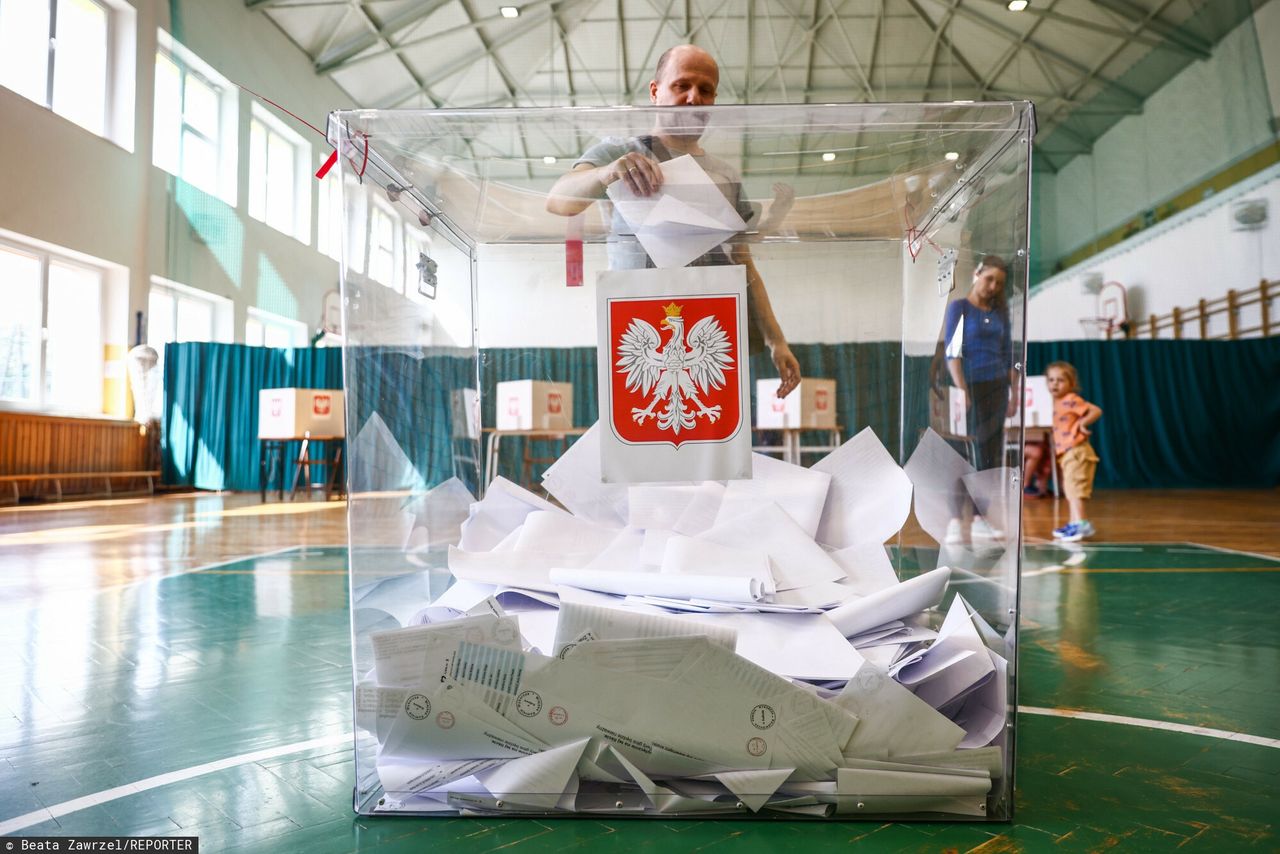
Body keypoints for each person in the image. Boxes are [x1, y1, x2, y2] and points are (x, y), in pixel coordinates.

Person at [545, 44, 801, 399]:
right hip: (639, 332)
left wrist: (776, 340)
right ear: (655, 91)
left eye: (706, 90)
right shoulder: (620, 153)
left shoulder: (724, 176)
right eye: (682, 85)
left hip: (710, 336)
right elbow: (559, 201)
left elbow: (744, 263)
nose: (694, 98)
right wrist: (606, 173)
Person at [941, 255, 1018, 544]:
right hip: (969, 388)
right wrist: (962, 390)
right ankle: (954, 520)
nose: (993, 286)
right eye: (989, 279)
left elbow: (1010, 356)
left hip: (997, 388)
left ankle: (978, 519)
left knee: (988, 455)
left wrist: (1014, 395)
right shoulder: (958, 308)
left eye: (999, 282)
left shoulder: (1000, 313)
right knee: (962, 454)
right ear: (976, 275)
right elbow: (952, 353)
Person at [1046, 361, 1102, 542]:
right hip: (1067, 454)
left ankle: (1081, 524)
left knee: (1075, 490)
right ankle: (1073, 522)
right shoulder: (1056, 402)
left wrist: (1082, 423)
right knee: (1069, 490)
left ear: (1071, 384)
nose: (1054, 384)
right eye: (1051, 380)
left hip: (1077, 452)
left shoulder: (1071, 399)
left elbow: (1095, 410)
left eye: (1060, 380)